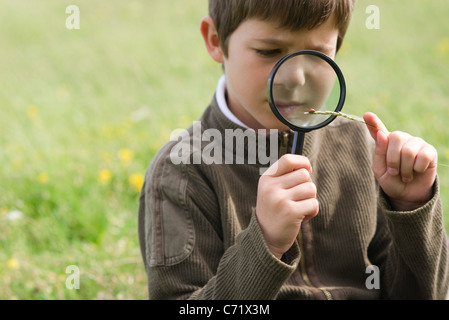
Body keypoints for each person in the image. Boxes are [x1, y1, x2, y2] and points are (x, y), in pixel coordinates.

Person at [138, 0, 449, 300]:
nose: (295, 77)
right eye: (269, 51)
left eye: (317, 54)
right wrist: (265, 243)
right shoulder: (182, 172)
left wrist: (410, 208)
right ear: (216, 40)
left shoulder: (361, 149)